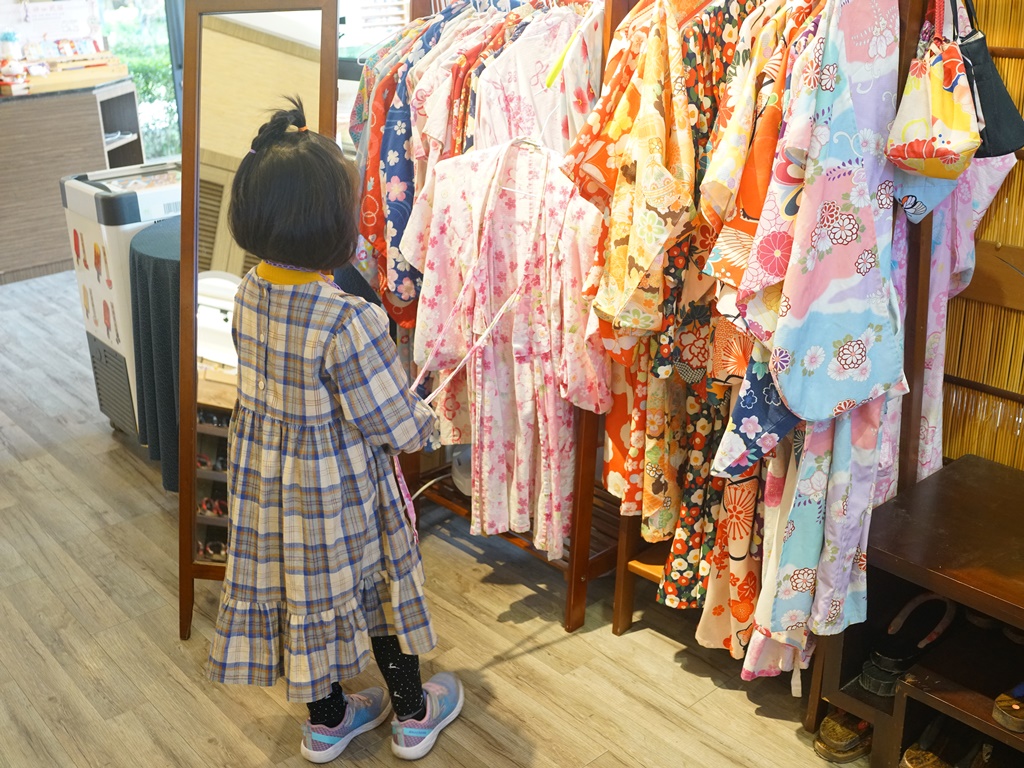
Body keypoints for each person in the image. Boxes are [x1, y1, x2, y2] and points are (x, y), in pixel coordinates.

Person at [206, 97, 462, 764]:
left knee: (304, 593)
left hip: (271, 487)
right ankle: (412, 714)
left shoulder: (247, 291)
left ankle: (327, 722)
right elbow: (393, 422)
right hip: (340, 491)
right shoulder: (349, 319)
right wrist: (432, 420)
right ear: (330, 227)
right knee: (376, 593)